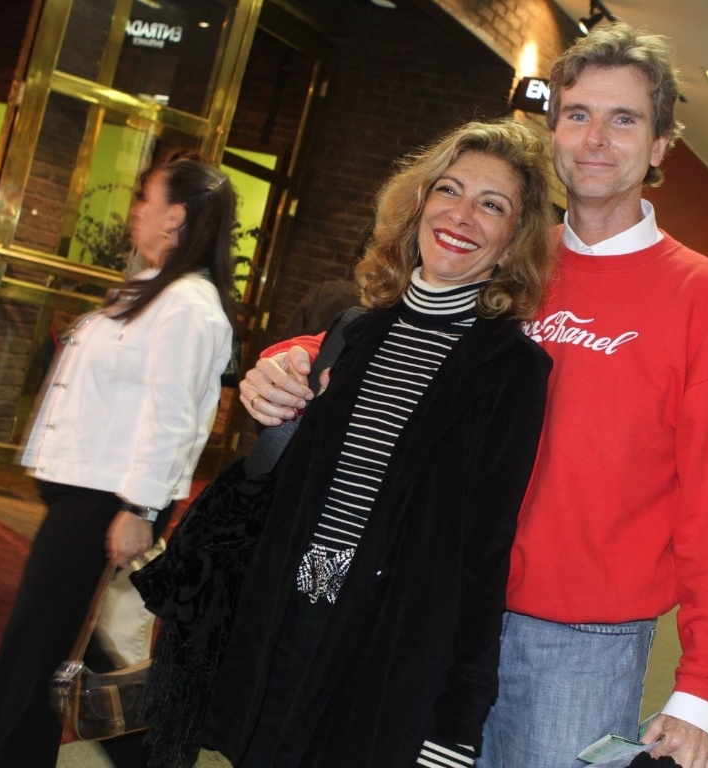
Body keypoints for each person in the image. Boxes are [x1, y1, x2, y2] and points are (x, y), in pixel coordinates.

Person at [238, 24, 708, 768]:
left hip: (577, 649)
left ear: (660, 147)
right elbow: (401, 332)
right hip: (432, 610)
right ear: (553, 129)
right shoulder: (512, 259)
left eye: (625, 119)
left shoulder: (700, 294)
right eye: (578, 113)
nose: (595, 138)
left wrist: (705, 686)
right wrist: (289, 359)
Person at [201, 119, 556, 767]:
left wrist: (456, 720)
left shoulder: (512, 372)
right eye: (448, 190)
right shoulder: (353, 332)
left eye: (492, 205)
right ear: (417, 206)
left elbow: (484, 552)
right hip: (284, 627)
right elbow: (284, 488)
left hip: (381, 649)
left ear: (511, 245)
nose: (462, 214)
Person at [0, 153, 236, 767]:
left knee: (33, 649)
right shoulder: (151, 288)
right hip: (83, 491)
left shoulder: (188, 304)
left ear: (175, 218)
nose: (135, 211)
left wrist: (140, 507)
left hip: (107, 497)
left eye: (146, 199)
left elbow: (174, 417)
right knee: (61, 649)